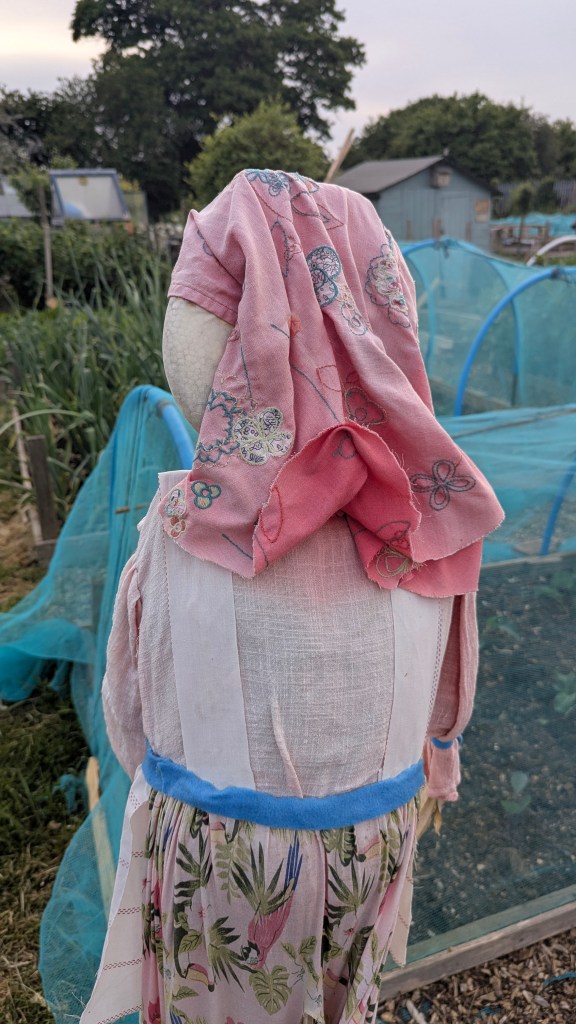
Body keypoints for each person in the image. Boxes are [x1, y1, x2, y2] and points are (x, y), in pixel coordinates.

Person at [80, 170, 503, 1024]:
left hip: (214, 864)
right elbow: (451, 688)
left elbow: (130, 704)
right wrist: (436, 758)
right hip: (374, 840)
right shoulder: (430, 518)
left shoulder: (178, 531)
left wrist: (154, 780)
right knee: (347, 994)